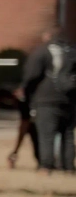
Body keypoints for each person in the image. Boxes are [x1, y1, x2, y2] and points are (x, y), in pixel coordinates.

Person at [21, 28, 76, 171]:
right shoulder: (71, 51)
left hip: (46, 99)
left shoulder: (42, 51)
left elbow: (31, 76)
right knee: (68, 135)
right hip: (69, 99)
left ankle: (46, 166)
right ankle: (69, 167)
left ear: (47, 36)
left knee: (46, 134)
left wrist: (27, 94)